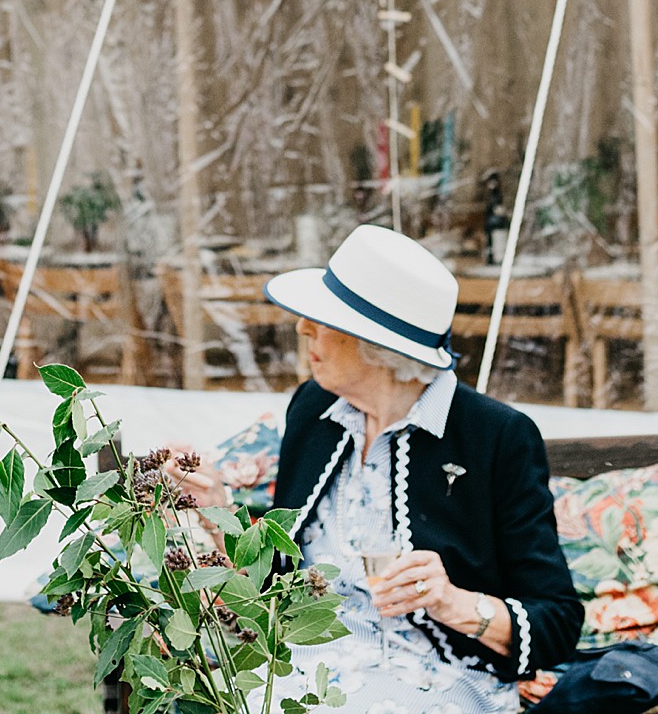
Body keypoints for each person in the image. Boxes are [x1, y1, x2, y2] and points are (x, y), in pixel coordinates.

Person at [174, 225, 581, 712]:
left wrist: (449, 600)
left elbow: (557, 623)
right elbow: (276, 582)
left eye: (323, 320)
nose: (303, 328)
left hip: (435, 677)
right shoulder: (314, 409)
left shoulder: (496, 437)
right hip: (301, 664)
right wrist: (218, 511)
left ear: (377, 347)